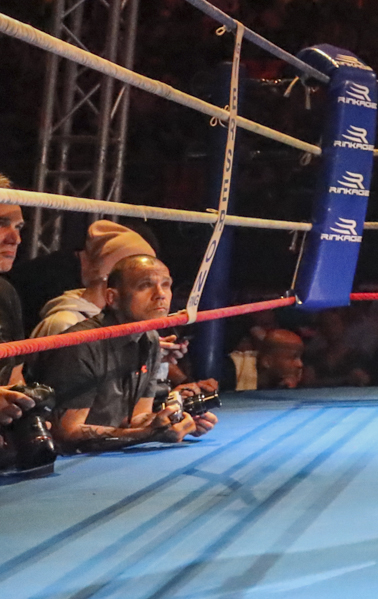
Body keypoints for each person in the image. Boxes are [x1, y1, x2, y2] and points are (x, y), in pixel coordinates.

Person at [35, 256, 216, 452]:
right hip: (64, 464)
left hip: (103, 457)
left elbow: (138, 418)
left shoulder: (150, 338)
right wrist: (147, 434)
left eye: (166, 284)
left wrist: (173, 420)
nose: (160, 294)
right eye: (145, 286)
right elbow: (67, 433)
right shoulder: (82, 343)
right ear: (113, 298)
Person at [32, 221, 156, 337]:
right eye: (143, 282)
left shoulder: (110, 322)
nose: (157, 293)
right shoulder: (66, 324)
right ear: (111, 275)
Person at [0, 175, 25, 387]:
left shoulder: (5, 292)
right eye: (1, 223)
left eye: (18, 227)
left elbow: (15, 377)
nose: (15, 239)